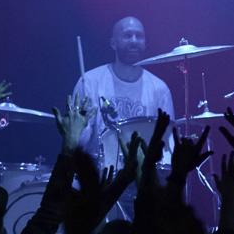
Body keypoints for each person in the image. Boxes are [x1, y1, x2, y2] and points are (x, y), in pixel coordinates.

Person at [73, 16, 174, 170]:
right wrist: (81, 125)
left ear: (145, 43)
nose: (134, 40)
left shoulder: (160, 89)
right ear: (113, 43)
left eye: (139, 36)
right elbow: (77, 143)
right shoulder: (89, 82)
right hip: (98, 174)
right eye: (127, 35)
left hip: (143, 174)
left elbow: (168, 144)